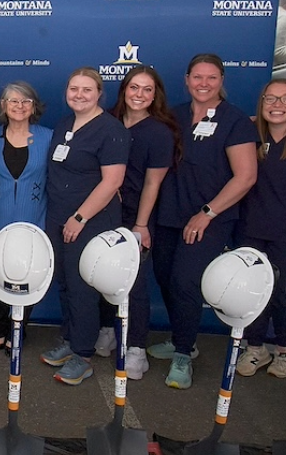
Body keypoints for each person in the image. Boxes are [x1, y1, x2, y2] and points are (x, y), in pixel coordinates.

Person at [149, 54, 257, 390]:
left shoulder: (236, 121)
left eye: (211, 78)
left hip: (209, 219)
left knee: (185, 282)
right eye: (198, 77)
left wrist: (207, 213)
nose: (204, 84)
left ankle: (183, 355)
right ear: (186, 79)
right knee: (166, 279)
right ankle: (186, 339)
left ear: (222, 80)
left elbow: (246, 176)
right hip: (168, 215)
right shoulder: (173, 116)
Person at [39, 68, 130, 386]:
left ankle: (83, 354)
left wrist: (80, 218)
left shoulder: (111, 129)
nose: (79, 94)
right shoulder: (65, 124)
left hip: (88, 221)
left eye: (87, 90)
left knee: (82, 288)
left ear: (99, 93)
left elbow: (113, 181)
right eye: (74, 88)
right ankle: (70, 337)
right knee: (64, 282)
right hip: (59, 217)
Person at [94, 66, 179, 380]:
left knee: (134, 284)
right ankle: (108, 331)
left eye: (147, 89)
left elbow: (152, 184)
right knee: (104, 275)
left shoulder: (158, 132)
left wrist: (141, 225)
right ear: (124, 90)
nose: (139, 95)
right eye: (134, 88)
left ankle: (136, 349)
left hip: (137, 217)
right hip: (105, 213)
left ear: (155, 95)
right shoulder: (109, 122)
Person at [235, 79, 286, 379]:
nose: (277, 105)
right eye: (270, 98)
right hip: (251, 226)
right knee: (254, 290)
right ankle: (255, 347)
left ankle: (285, 347)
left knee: (284, 292)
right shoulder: (247, 134)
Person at [0, 81, 50, 356]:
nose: (19, 106)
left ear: (34, 106)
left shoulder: (48, 137)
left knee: (27, 277)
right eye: (13, 101)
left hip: (33, 220)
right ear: (3, 106)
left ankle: (17, 330)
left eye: (26, 101)